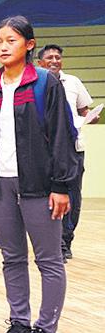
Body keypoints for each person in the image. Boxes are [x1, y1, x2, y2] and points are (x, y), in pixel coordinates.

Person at [0, 16, 79, 333]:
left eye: (11, 40)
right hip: (0, 185)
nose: (3, 47)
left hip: (40, 184)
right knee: (12, 258)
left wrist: (61, 185)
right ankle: (19, 323)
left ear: (29, 44)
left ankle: (46, 332)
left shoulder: (45, 83)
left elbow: (62, 135)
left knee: (49, 259)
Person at [37, 44, 98, 260]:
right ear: (40, 62)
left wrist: (90, 117)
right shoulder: (36, 83)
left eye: (58, 57)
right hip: (44, 149)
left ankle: (65, 241)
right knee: (46, 196)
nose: (54, 61)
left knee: (73, 196)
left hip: (73, 148)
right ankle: (51, 243)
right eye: (50, 58)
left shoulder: (73, 82)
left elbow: (84, 110)